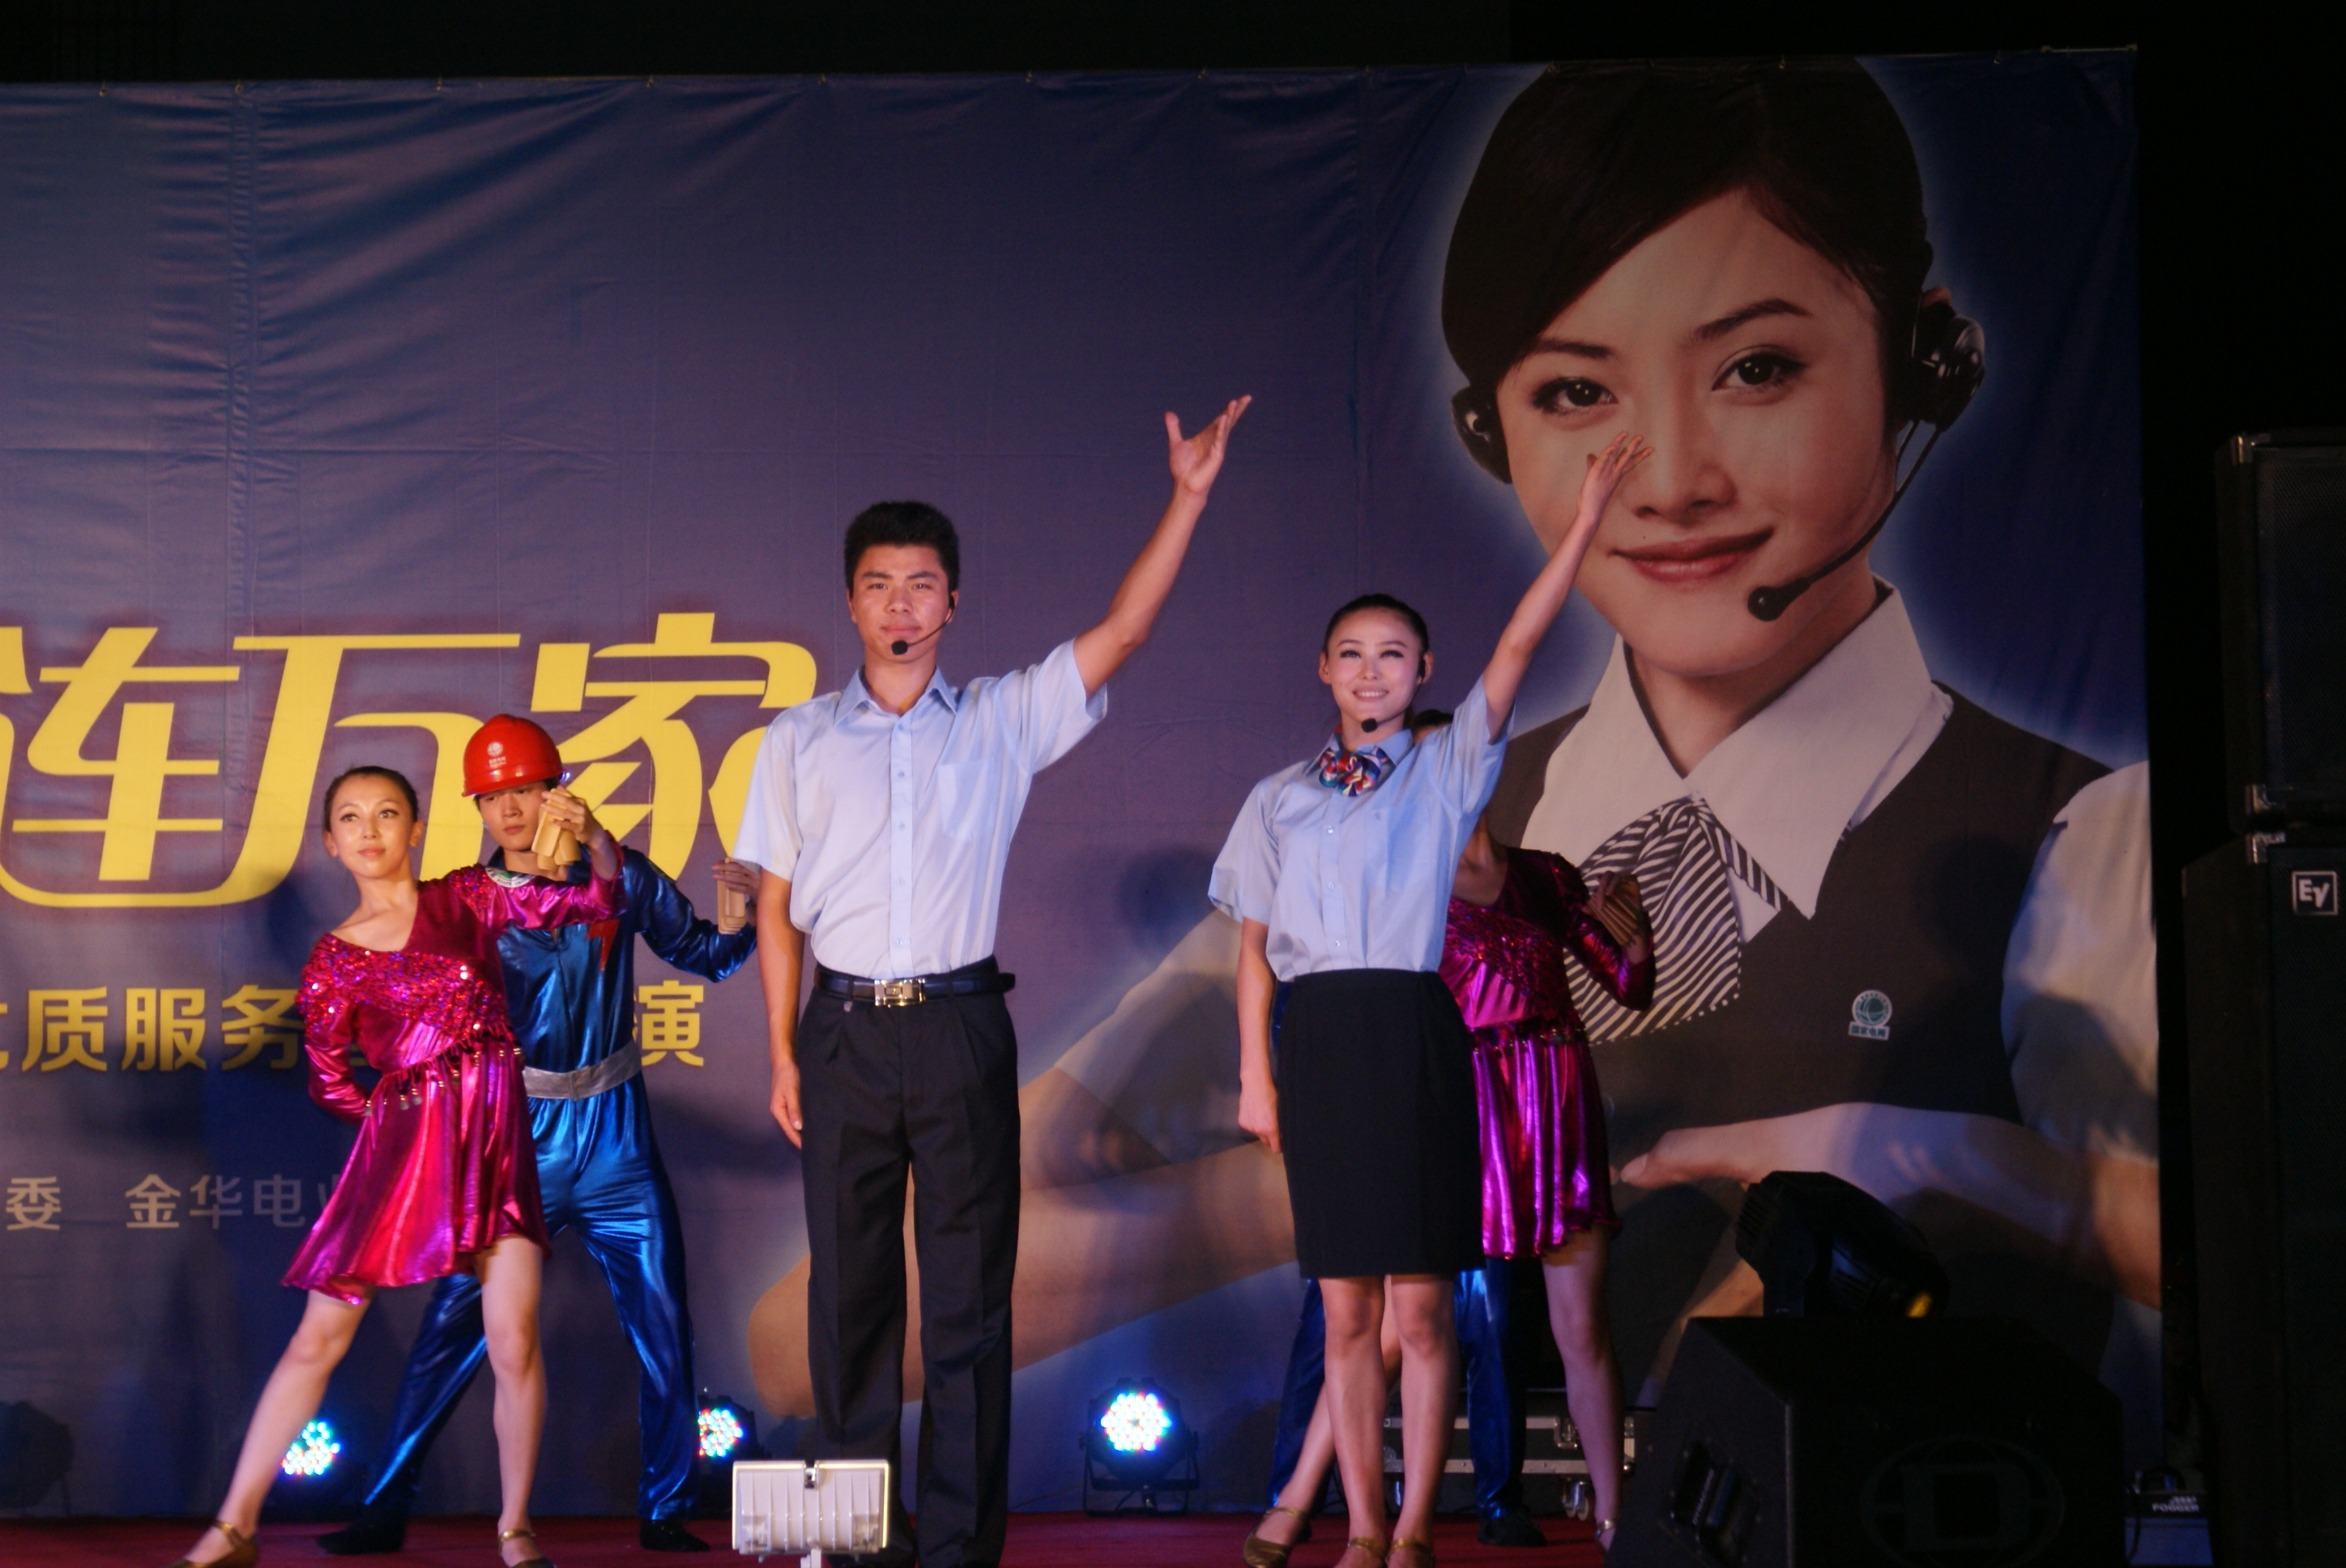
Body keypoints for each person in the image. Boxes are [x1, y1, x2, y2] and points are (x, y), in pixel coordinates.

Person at [1444, 59, 2160, 1425]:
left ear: (1920, 367)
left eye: (1757, 369)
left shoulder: (2078, 833)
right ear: (1495, 433)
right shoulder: (1455, 819)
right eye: (1576, 394)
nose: (1668, 482)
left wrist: (1949, 1167)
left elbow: (2241, 1262)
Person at [733, 397, 1248, 1568]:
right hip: (842, 1031)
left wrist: (1188, 497)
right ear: (849, 601)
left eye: (921, 585)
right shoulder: (796, 739)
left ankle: (961, 1544)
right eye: (879, 585)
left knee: (967, 1296)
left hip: (961, 1025)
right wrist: (781, 1050)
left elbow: (1124, 631)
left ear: (952, 603)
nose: (900, 605)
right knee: (849, 1294)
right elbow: (772, 906)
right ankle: (859, 1537)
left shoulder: (1003, 719)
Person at [1212, 431, 1649, 1568]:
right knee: (1345, 1310)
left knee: (1420, 1307)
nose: (1372, 672)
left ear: (1422, 671)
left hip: (1415, 1030)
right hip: (1319, 1038)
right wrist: (1257, 1073)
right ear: (1323, 669)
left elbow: (1520, 642)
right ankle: (1360, 1527)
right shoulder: (1277, 797)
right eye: (1353, 654)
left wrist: (1584, 524)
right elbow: (1254, 948)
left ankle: (1412, 1530)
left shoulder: (1447, 772)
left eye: (1394, 655)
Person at [318, 717, 760, 1557]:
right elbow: (395, 982)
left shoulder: (619, 873)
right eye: (492, 797)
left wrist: (740, 915)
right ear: (476, 808)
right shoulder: (461, 902)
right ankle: (383, 1504)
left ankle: (666, 1507)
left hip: (618, 1136)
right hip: (511, 1137)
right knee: (454, 1323)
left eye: (525, 789)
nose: (511, 810)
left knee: (664, 1319)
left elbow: (709, 955)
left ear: (559, 789)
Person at [162, 765, 621, 1568]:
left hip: (494, 1145)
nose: (369, 830)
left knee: (512, 1339)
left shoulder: (468, 897)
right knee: (317, 1340)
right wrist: (408, 1113)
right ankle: (233, 1528)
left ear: (415, 829)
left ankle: (516, 1528)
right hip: (401, 1157)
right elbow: (330, 1081)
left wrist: (593, 839)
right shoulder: (333, 960)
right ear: (331, 843)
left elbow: (585, 903)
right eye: (351, 818)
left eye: (386, 813)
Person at [1247, 810, 1652, 1563]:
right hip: (1460, 1106)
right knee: (1392, 1332)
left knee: (1581, 1328)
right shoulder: (1404, 884)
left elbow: (1630, 987)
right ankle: (1298, 1496)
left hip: (1555, 1103)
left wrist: (1633, 933)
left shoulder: (1546, 875)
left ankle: (1612, 1518)